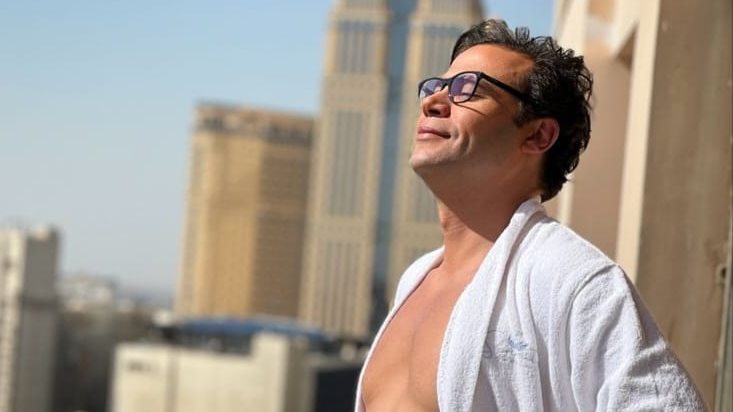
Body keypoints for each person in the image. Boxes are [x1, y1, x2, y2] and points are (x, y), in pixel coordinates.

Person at [356, 19, 706, 411]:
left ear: (538, 135)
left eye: (468, 88)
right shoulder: (416, 279)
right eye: (436, 86)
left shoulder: (574, 280)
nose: (433, 101)